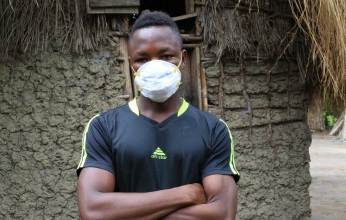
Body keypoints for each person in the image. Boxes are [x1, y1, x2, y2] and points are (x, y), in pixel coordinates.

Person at [77, 11, 240, 220]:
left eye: (166, 56)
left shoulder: (214, 129)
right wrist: (186, 194)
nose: (154, 66)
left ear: (183, 58)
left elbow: (222, 214)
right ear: (131, 64)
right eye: (142, 59)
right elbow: (93, 212)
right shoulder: (103, 127)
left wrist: (126, 212)